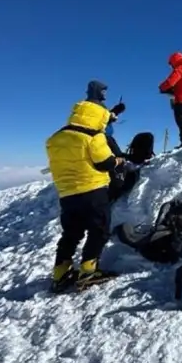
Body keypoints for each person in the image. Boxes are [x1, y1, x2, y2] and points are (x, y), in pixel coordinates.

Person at [44, 80, 126, 292]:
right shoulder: (93, 136)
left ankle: (60, 273)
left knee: (71, 233)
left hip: (67, 194)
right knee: (99, 230)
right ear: (98, 116)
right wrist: (118, 161)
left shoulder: (56, 137)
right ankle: (88, 271)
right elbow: (104, 163)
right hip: (93, 191)